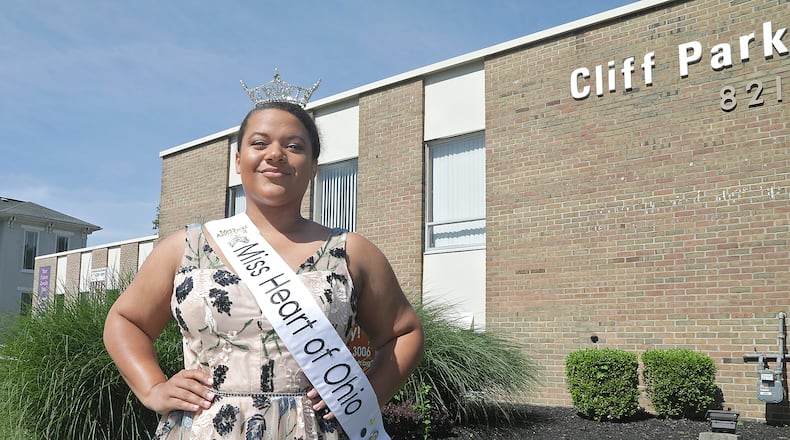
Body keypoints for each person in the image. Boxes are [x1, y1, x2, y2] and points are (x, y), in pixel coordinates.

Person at [104, 82, 425, 439]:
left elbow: (404, 332)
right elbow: (126, 320)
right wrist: (152, 388)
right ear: (238, 161)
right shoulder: (186, 247)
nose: (276, 154)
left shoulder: (351, 252)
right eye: (259, 143)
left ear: (314, 166)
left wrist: (364, 396)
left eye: (294, 146)